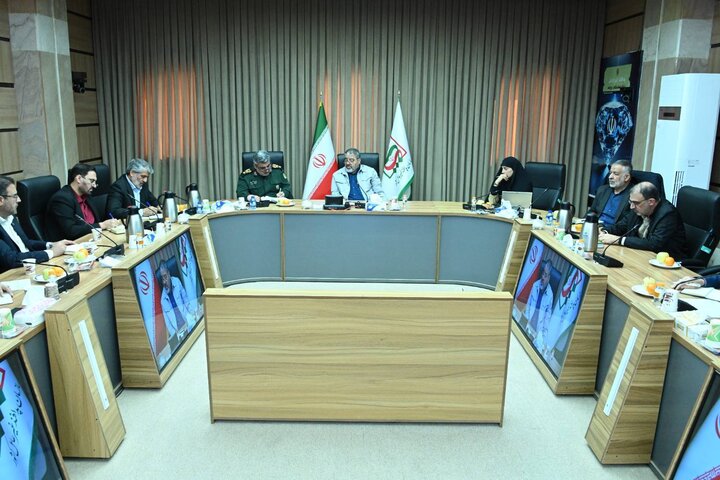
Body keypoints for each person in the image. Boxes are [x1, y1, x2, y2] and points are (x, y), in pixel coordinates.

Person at [0, 176, 74, 272]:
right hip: (12, 275)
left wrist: (51, 245)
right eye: (15, 196)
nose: (19, 200)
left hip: (30, 268)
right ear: (1, 200)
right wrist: (51, 252)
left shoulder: (10, 216)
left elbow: (26, 243)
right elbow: (12, 259)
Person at [598, 181, 688, 260]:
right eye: (630, 202)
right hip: (640, 255)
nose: (631, 206)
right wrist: (604, 231)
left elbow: (654, 244)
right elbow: (621, 226)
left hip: (666, 262)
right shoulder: (638, 208)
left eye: (635, 203)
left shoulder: (668, 214)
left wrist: (619, 240)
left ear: (651, 202)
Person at [45, 164, 120, 241]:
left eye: (95, 182)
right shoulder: (62, 199)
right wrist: (102, 225)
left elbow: (95, 221)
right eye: (92, 181)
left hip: (93, 240)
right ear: (79, 179)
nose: (94, 186)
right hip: (73, 244)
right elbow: (71, 231)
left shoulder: (87, 196)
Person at [588, 159, 633, 227]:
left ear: (626, 177)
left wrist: (605, 230)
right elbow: (592, 212)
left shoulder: (634, 196)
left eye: (615, 174)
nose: (610, 177)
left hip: (613, 231)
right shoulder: (602, 190)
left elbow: (627, 224)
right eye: (610, 173)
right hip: (595, 227)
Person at [158, 260, 193, 339]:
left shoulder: (177, 282)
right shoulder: (163, 300)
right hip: (178, 332)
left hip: (188, 321)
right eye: (162, 278)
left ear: (169, 274)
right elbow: (168, 325)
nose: (164, 282)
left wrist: (193, 315)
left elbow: (186, 301)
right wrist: (176, 337)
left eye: (165, 277)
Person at [525, 259, 554, 338]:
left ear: (549, 278)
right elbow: (528, 305)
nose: (542, 277)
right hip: (528, 322)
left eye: (545, 275)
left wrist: (542, 336)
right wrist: (525, 322)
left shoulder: (550, 295)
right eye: (542, 273)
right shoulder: (535, 285)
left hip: (538, 331)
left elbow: (547, 318)